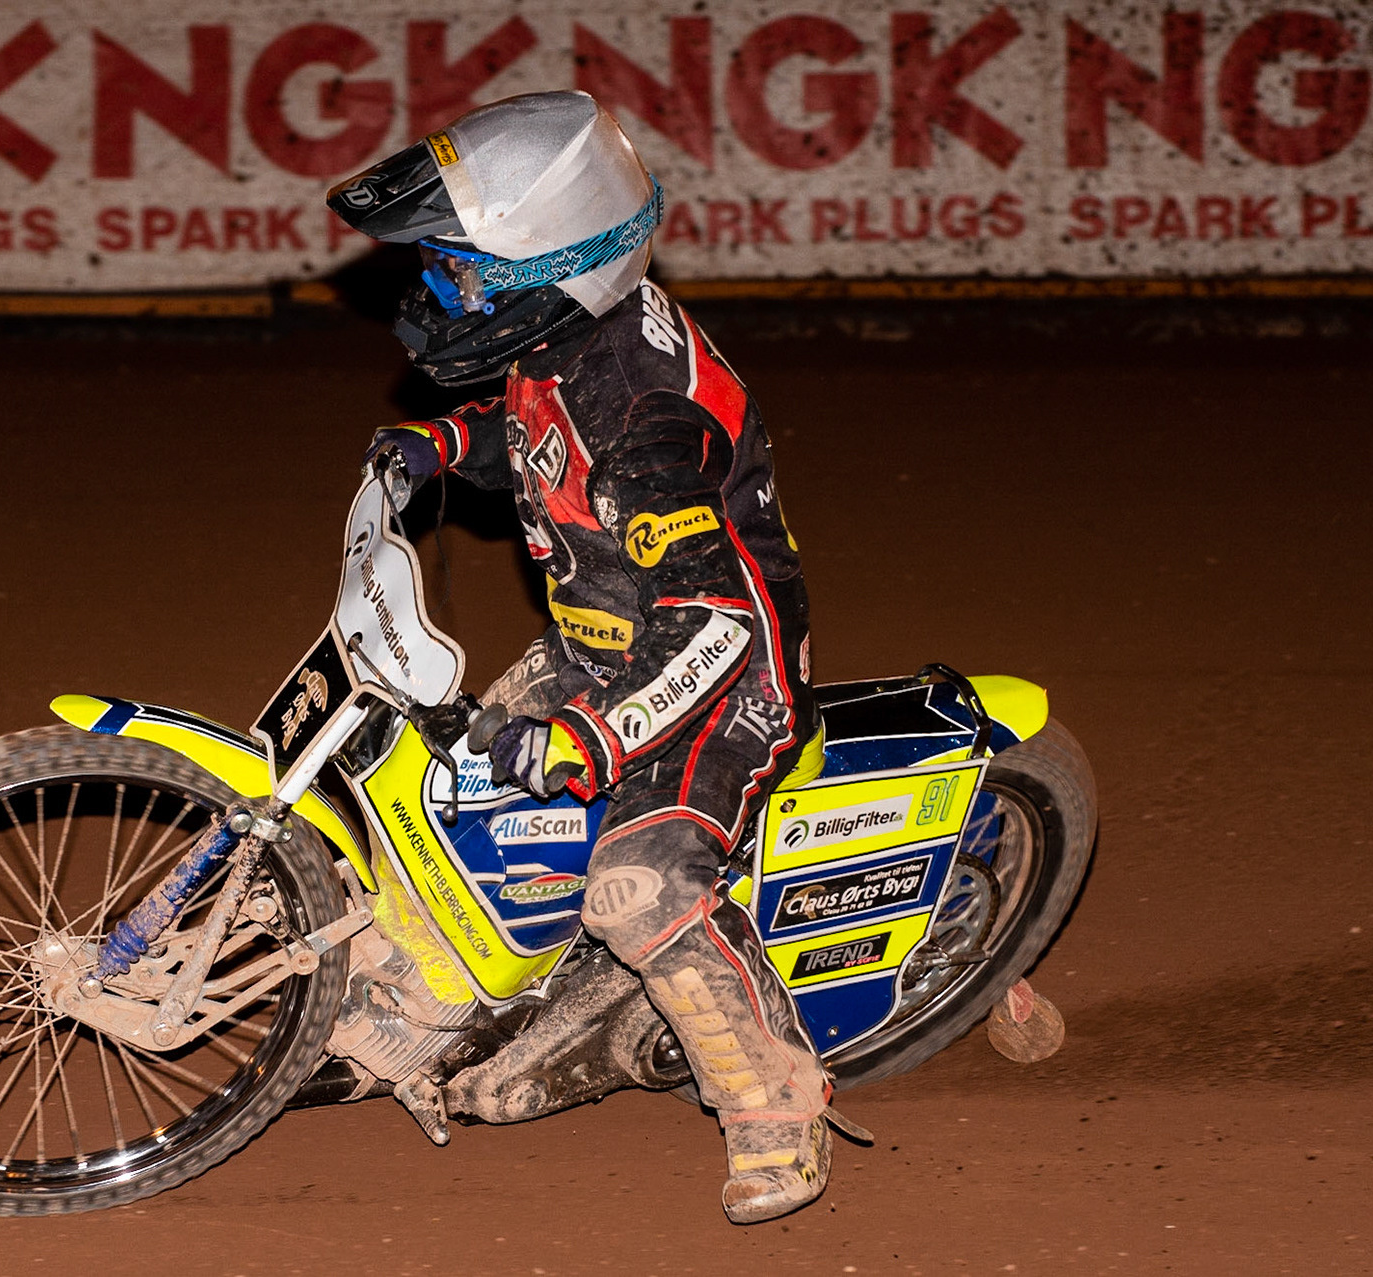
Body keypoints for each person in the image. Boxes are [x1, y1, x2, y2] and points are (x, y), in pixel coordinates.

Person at [327, 90, 838, 1225]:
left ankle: (774, 1101)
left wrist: (594, 733)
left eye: (461, 271)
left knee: (637, 885)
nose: (442, 293)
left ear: (550, 263)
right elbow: (538, 441)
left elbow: (717, 626)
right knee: (435, 773)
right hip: (605, 640)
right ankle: (431, 985)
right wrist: (447, 442)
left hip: (713, 683)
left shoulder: (647, 424)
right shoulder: (571, 337)